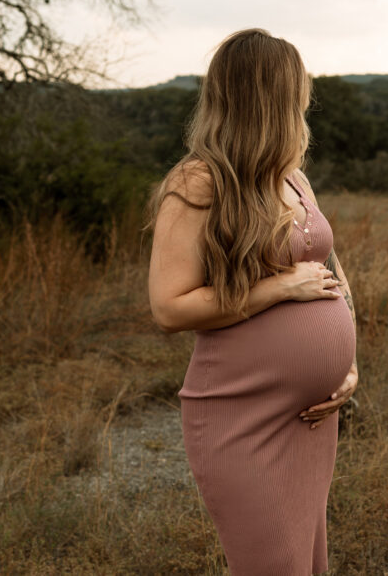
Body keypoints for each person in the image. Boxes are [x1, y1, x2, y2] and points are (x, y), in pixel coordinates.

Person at [147, 29, 357, 575]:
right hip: (241, 412)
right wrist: (279, 288)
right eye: (297, 90)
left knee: (307, 561)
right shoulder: (198, 183)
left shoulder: (293, 177)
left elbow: (331, 270)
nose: (305, 101)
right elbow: (169, 307)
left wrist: (348, 363)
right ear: (271, 98)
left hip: (311, 418)